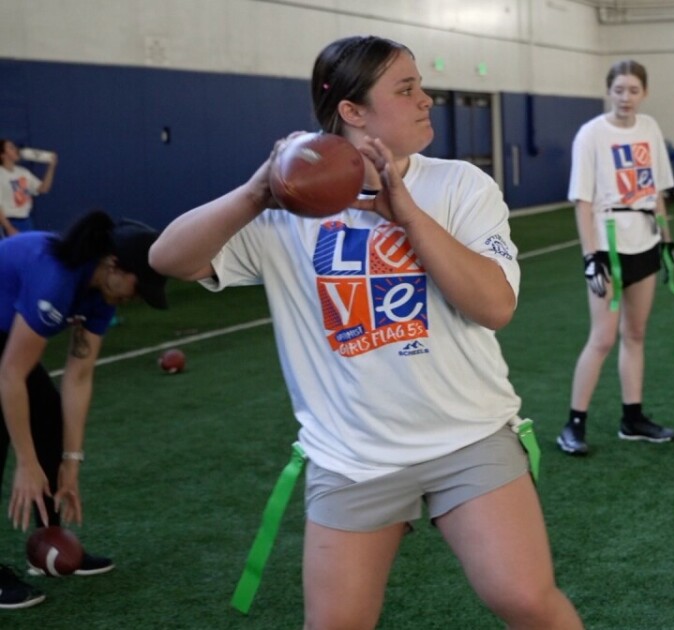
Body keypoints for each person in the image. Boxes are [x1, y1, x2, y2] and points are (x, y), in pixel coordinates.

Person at [148, 36, 582, 629]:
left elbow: (495, 306)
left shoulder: (460, 186)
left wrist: (407, 213)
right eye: (406, 90)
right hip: (353, 456)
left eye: (420, 86)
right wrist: (257, 191)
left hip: (468, 436)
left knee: (527, 601)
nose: (427, 100)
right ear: (352, 112)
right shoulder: (284, 210)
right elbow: (168, 259)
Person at [0, 210, 166, 609]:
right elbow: (10, 374)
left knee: (47, 415)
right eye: (137, 284)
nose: (137, 294)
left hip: (4, 333)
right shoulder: (55, 278)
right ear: (113, 264)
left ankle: (48, 542)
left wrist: (70, 464)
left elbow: (78, 376)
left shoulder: (103, 294)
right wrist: (25, 462)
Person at [556, 60, 674, 456]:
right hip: (608, 245)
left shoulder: (650, 128)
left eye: (633, 90)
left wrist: (667, 240)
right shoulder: (590, 134)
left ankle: (633, 418)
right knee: (603, 337)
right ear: (609, 90)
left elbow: (657, 190)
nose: (626, 97)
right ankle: (573, 424)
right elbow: (583, 201)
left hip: (644, 241)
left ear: (644, 92)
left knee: (636, 333)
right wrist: (591, 256)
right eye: (619, 89)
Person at [0, 140, 58, 236]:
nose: (16, 150)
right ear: (2, 155)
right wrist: (8, 227)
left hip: (26, 220)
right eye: (11, 148)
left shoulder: (23, 172)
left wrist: (51, 167)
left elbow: (43, 189)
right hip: (9, 221)